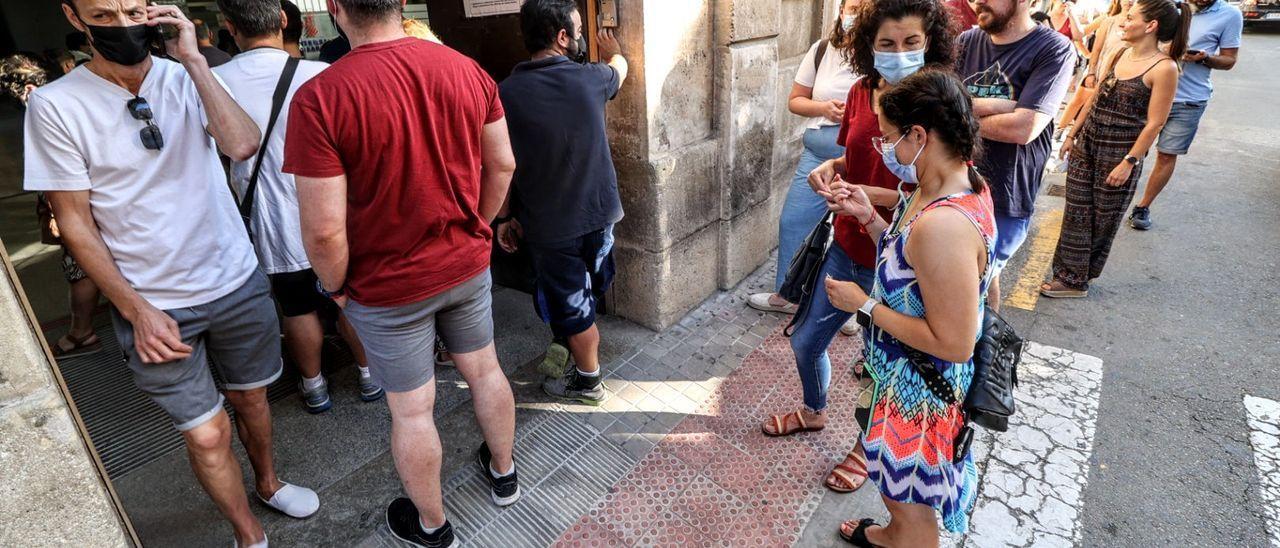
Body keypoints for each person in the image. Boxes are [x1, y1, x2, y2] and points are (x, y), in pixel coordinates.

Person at [29, 2, 320, 546]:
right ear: (74, 16)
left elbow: (240, 144)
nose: (122, 27)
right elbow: (74, 221)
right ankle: (248, 531)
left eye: (133, 10)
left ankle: (268, 482)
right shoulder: (55, 105)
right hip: (153, 303)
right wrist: (135, 310)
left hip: (234, 278)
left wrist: (194, 61)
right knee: (208, 436)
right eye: (103, 15)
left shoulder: (186, 75)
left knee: (254, 400)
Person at [284, 1, 519, 545]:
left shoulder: (321, 97)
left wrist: (337, 288)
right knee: (485, 371)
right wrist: (475, 228)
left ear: (336, 8)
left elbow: (322, 232)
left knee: (413, 411)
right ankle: (504, 474)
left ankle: (434, 529)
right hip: (465, 264)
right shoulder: (464, 68)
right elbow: (502, 163)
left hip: (387, 289)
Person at [761, 0, 957, 498]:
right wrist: (834, 170)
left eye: (911, 43)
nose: (898, 54)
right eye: (887, 44)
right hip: (848, 245)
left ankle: (863, 447)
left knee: (881, 366)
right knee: (806, 341)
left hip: (903, 265)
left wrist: (869, 198)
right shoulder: (859, 92)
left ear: (930, 42)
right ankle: (814, 409)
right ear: (870, 46)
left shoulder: (942, 105)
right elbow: (853, 154)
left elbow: (945, 193)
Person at [824, 69, 997, 546]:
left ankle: (904, 536)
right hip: (902, 382)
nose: (887, 152)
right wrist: (869, 218)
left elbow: (956, 343)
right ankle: (893, 533)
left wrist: (863, 306)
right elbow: (913, 265)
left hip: (919, 397)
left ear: (919, 135)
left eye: (890, 140)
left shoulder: (944, 225)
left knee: (915, 511)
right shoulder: (953, 184)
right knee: (900, 496)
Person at [215, 0, 381, 412]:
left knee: (297, 307)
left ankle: (314, 386)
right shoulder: (323, 75)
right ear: (286, 21)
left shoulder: (213, 83)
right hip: (334, 212)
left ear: (229, 28)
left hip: (272, 221)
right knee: (349, 298)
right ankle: (368, 375)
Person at [495, 0, 628, 405]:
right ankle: (576, 343)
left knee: (572, 303)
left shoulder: (504, 93)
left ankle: (589, 380)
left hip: (549, 227)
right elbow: (621, 68)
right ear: (562, 37)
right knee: (589, 284)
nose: (581, 37)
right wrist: (614, 51)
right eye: (577, 29)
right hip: (600, 217)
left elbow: (501, 164)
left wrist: (504, 218)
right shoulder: (593, 78)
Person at [1042, 0, 1186, 297]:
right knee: (1076, 212)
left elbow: (1155, 124)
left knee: (1101, 217)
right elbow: (1094, 99)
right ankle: (1068, 274)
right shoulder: (1121, 53)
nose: (1123, 21)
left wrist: (1129, 161)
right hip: (1089, 142)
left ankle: (1076, 280)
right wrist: (1072, 135)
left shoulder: (1165, 68)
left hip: (1120, 151)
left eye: (1130, 17)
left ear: (1151, 25)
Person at [958, 0, 1076, 309]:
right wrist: (1005, 106)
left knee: (979, 282)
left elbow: (1023, 129)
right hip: (955, 187)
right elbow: (937, 104)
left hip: (1005, 196)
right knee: (970, 282)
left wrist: (960, 112)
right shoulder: (966, 42)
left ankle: (978, 351)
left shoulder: (1055, 49)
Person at [748, 0, 860, 322]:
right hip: (815, 154)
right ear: (840, 11)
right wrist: (824, 109)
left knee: (851, 235)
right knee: (793, 222)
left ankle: (848, 309)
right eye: (850, 6)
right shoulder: (822, 50)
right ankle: (788, 295)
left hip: (856, 159)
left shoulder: (879, 56)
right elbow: (796, 101)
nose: (854, 14)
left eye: (863, 7)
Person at [1, 54, 103, 358]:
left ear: (28, 88)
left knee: (80, 267)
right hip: (93, 195)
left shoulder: (42, 110)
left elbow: (55, 164)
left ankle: (82, 333)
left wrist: (55, 208)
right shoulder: (69, 98)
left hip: (74, 199)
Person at [1128, 0, 1240, 230]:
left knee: (1167, 155)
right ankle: (1113, 197)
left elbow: (1229, 60)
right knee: (1127, 147)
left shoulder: (1230, 15)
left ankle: (1143, 206)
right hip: (1146, 91)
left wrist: (1205, 58)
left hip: (1188, 100)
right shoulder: (1169, 4)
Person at [1055, 0, 1135, 141]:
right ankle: (1060, 130)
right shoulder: (1108, 19)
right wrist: (1088, 60)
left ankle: (1080, 136)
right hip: (1098, 70)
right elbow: (1081, 36)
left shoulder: (1139, 25)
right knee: (1078, 101)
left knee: (1096, 107)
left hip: (1120, 75)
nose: (1130, 1)